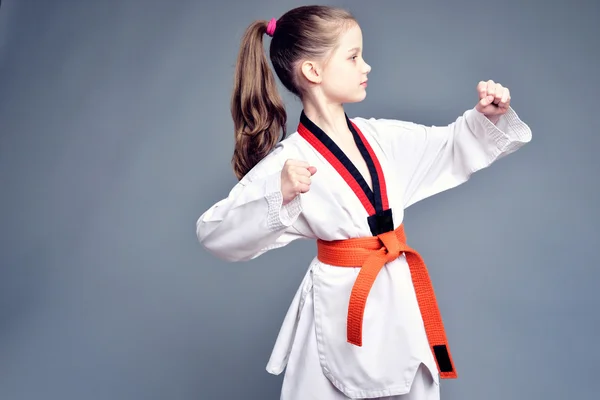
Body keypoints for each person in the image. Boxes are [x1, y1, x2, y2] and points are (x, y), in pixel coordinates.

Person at [196, 5, 532, 400]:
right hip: (338, 310)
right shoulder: (288, 163)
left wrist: (486, 116)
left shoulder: (381, 138)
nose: (366, 66)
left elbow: (451, 146)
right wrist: (279, 194)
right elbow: (215, 233)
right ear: (313, 71)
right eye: (353, 57)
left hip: (397, 298)